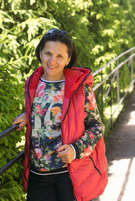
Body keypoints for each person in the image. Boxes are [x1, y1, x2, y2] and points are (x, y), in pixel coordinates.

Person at [12, 29, 108, 201]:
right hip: (37, 174)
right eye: (48, 53)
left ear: (68, 59)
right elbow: (44, 109)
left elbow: (97, 127)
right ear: (40, 52)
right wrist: (29, 114)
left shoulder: (80, 88)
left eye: (59, 56)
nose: (52, 61)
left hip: (69, 175)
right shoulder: (32, 82)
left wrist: (75, 149)